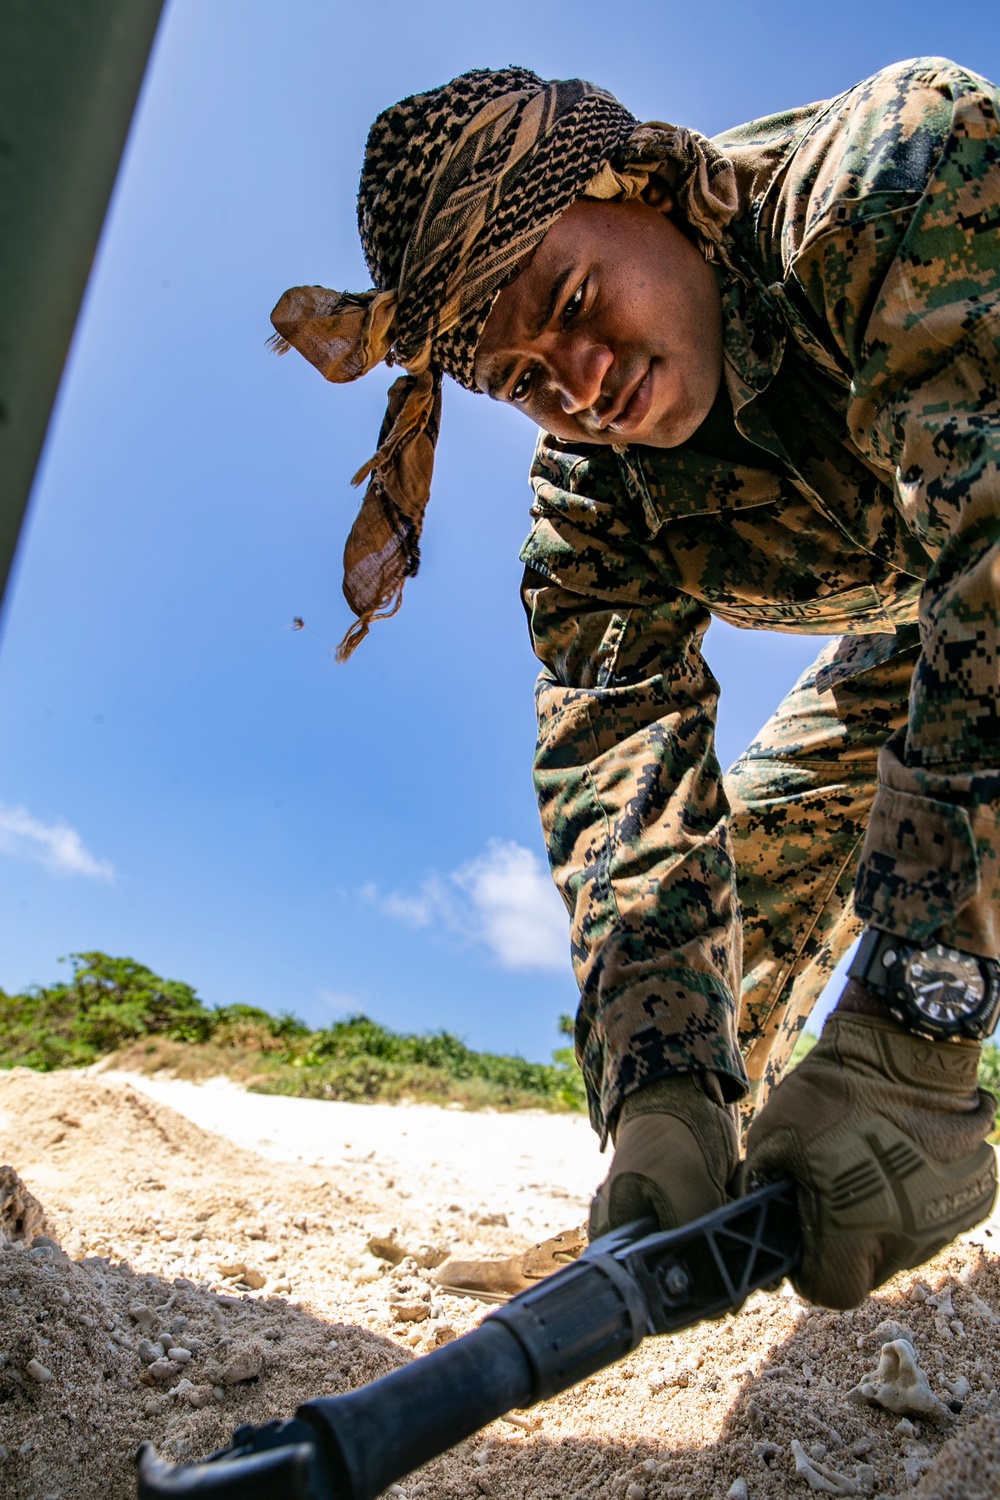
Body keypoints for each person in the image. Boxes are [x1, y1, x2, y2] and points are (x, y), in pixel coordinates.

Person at [269, 57, 1000, 1310]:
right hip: (927, 616)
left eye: (574, 297)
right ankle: (706, 1203)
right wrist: (663, 1089)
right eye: (521, 381)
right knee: (744, 880)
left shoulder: (892, 173)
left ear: (643, 187)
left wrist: (915, 1021)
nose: (578, 381)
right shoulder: (591, 503)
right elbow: (620, 770)